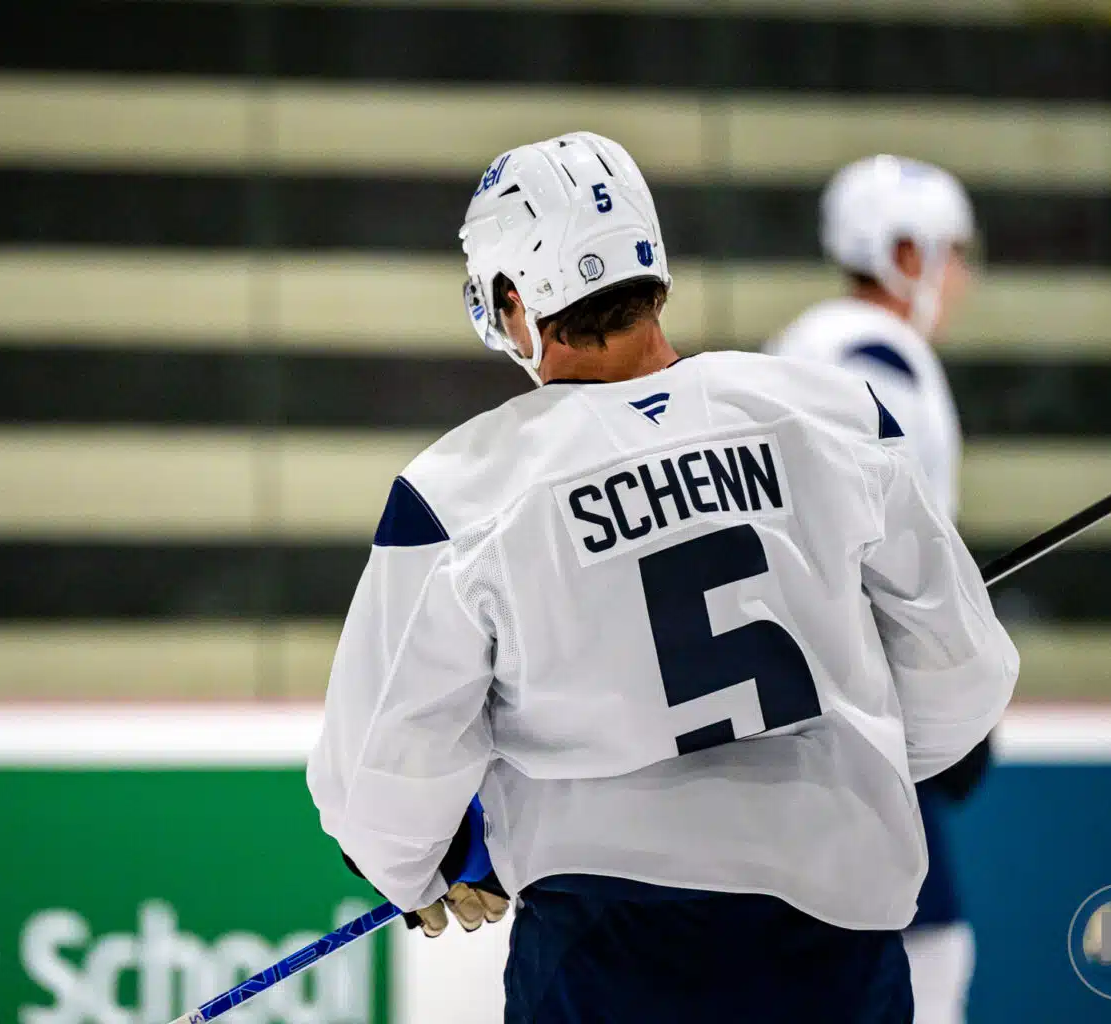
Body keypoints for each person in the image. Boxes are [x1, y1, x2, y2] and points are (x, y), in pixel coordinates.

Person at [307, 132, 1018, 1023]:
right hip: (836, 948)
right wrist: (841, 767)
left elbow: (376, 785)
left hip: (608, 959)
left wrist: (436, 862)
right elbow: (965, 675)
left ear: (513, 299)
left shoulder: (459, 494)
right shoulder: (836, 416)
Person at [767, 155, 992, 1024]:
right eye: (951, 253)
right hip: (860, 729)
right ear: (904, 254)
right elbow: (879, 554)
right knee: (924, 961)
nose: (962, 277)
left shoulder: (798, 346)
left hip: (794, 729)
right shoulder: (877, 357)